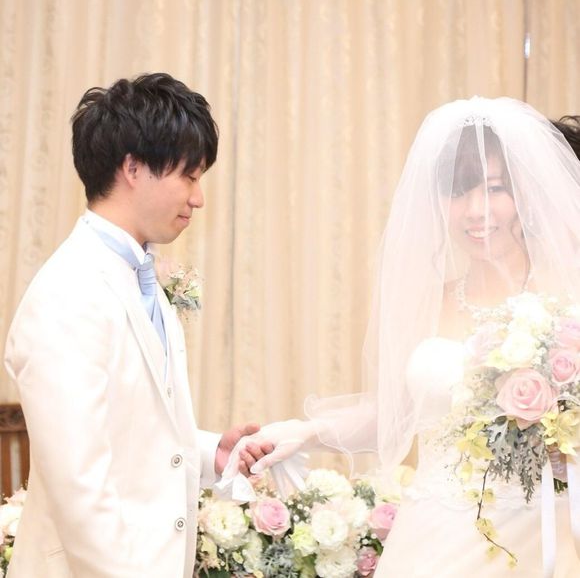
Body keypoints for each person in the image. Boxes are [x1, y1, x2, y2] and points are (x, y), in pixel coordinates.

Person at [238, 97, 580, 576]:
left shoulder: (567, 303)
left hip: (538, 537)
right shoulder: (429, 303)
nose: (475, 210)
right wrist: (304, 432)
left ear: (526, 193)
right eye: (458, 192)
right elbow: (393, 415)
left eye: (495, 189)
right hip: (435, 536)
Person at [4, 73, 271, 578]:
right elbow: (80, 486)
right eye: (189, 176)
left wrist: (209, 452)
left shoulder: (135, 277)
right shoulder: (69, 292)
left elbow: (133, 429)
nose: (198, 198)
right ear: (133, 168)